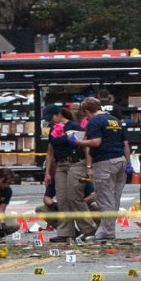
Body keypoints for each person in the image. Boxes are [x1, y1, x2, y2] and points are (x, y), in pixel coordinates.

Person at [74, 97, 132, 242]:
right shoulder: (114, 120)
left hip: (105, 162)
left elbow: (96, 142)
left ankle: (105, 232)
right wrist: (128, 163)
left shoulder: (94, 121)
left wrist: (77, 141)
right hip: (120, 161)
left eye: (85, 114)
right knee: (114, 199)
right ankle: (109, 231)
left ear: (87, 111)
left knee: (105, 199)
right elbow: (125, 144)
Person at [42, 104, 97, 243]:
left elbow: (85, 148)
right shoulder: (53, 130)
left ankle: (89, 230)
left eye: (51, 118)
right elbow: (50, 152)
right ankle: (66, 232)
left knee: (74, 196)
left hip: (76, 163)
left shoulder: (74, 127)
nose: (50, 121)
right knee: (62, 198)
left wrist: (88, 166)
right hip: (60, 165)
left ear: (58, 114)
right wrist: (48, 172)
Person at [35, 180, 100, 231]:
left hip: (82, 206)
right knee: (40, 209)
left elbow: (92, 196)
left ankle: (93, 231)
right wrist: (54, 205)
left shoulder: (80, 176)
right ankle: (70, 233)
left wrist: (78, 203)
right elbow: (46, 198)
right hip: (64, 207)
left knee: (95, 206)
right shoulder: (57, 178)